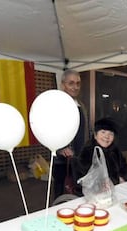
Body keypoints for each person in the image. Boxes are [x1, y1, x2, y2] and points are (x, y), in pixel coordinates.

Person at [52, 69, 90, 199]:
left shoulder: (81, 106)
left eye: (78, 83)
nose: (75, 87)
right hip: (62, 162)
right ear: (63, 85)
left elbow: (84, 130)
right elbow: (49, 130)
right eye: (71, 83)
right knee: (61, 195)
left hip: (79, 160)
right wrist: (60, 149)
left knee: (78, 193)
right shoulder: (56, 105)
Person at [76, 117, 127, 188]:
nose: (107, 136)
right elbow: (85, 176)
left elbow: (124, 166)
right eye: (103, 132)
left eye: (111, 134)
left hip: (116, 188)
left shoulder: (115, 150)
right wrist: (101, 183)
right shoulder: (88, 151)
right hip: (95, 193)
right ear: (95, 135)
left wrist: (122, 177)